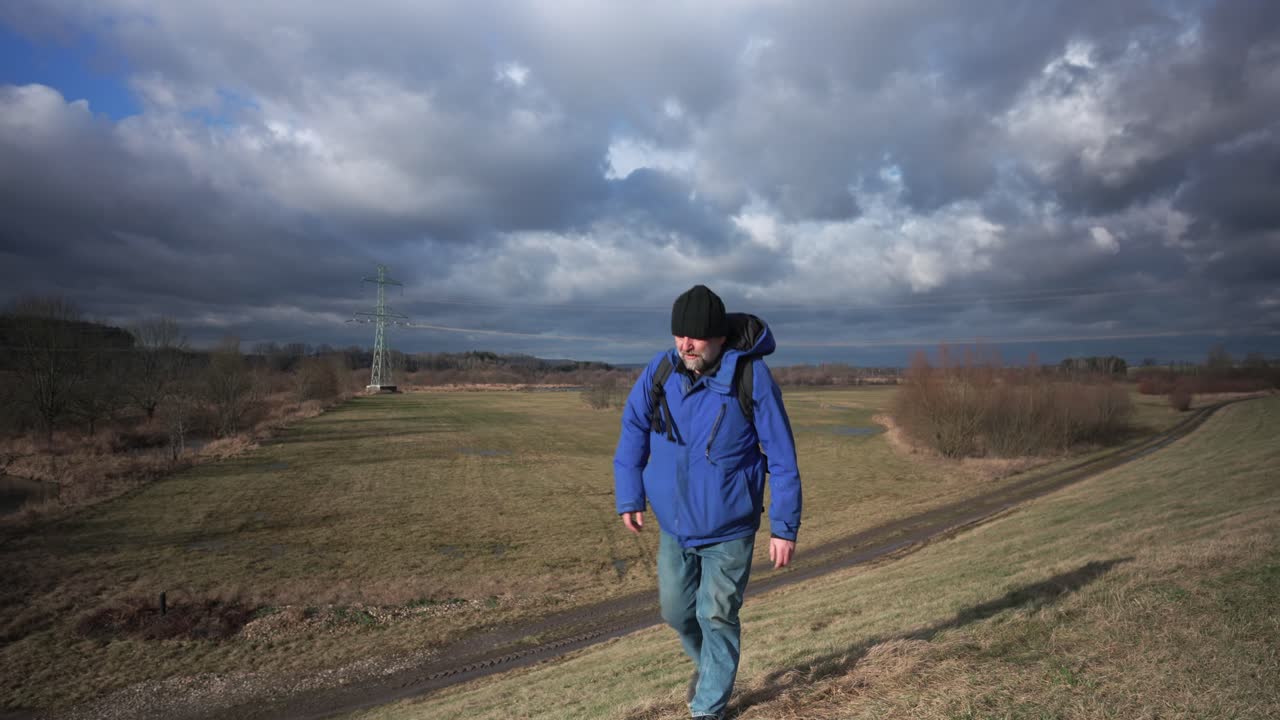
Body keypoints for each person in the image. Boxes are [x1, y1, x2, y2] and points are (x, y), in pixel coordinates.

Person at [614, 284, 802, 720]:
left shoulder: (751, 378)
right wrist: (629, 495)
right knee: (678, 614)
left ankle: (708, 709)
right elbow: (632, 430)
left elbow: (783, 457)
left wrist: (783, 527)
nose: (686, 344)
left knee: (715, 615)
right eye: (680, 334)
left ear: (718, 337)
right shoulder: (660, 370)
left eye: (695, 336)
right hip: (675, 527)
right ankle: (710, 669)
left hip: (729, 530)